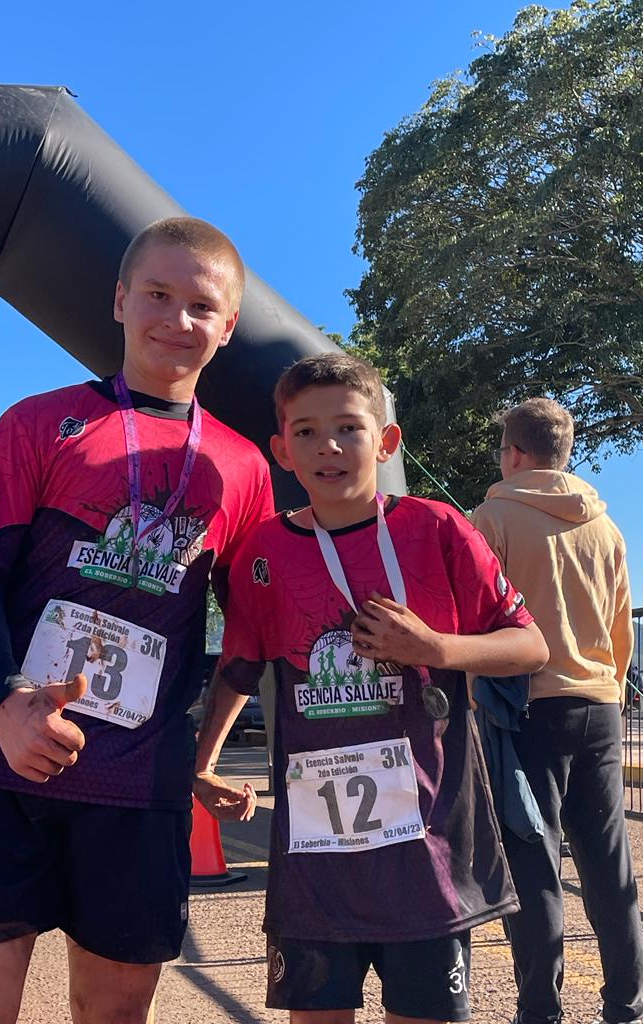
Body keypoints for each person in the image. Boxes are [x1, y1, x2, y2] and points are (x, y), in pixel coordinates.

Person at [0, 217, 273, 1024]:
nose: (177, 319)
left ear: (228, 326)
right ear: (119, 299)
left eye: (201, 306)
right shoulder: (39, 422)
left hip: (136, 784)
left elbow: (251, 631)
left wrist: (205, 755)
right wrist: (7, 701)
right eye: (158, 295)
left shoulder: (243, 467)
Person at [194, 353, 548, 1024]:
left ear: (386, 441)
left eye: (349, 428)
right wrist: (203, 763)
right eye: (306, 432)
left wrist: (436, 649)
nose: (328, 446)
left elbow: (530, 646)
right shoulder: (265, 551)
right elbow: (238, 665)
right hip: (315, 865)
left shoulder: (437, 528)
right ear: (282, 451)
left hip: (427, 852)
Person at [472, 398, 643, 1024]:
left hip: (525, 711)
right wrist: (610, 687)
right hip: (599, 704)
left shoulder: (491, 520)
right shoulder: (607, 528)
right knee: (609, 867)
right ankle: (626, 1005)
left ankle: (540, 1009)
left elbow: (474, 619)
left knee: (533, 861)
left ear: (515, 453)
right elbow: (622, 628)